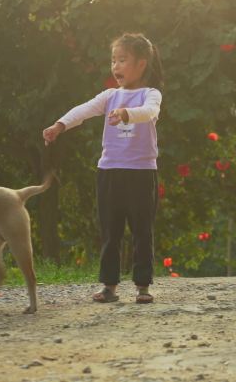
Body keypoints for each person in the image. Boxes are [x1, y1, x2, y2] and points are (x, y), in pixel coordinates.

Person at [42, 33, 163, 304]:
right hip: (109, 171)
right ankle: (109, 286)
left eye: (123, 60)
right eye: (113, 60)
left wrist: (126, 114)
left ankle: (143, 286)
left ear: (141, 64)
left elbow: (150, 112)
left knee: (142, 231)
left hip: (141, 173)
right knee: (111, 230)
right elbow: (83, 110)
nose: (116, 66)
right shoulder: (110, 96)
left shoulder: (150, 94)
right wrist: (59, 125)